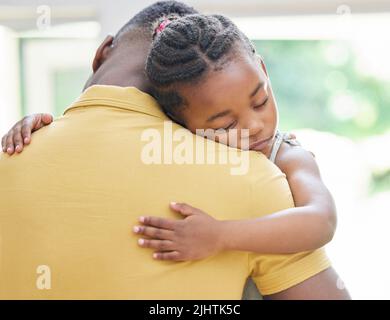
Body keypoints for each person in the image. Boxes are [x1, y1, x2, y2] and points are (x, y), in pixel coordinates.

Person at [0, 1, 350, 299]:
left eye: (259, 100)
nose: (254, 127)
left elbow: (323, 218)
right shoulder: (252, 181)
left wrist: (222, 235)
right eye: (225, 125)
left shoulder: (285, 157)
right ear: (181, 120)